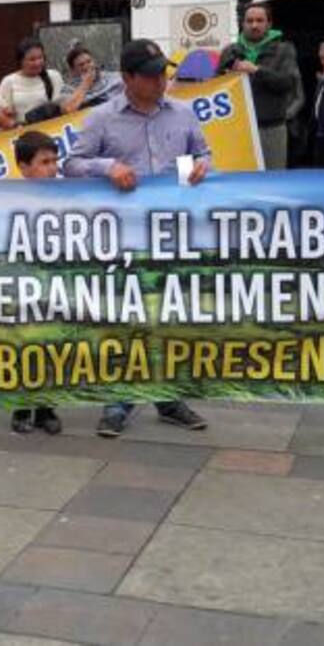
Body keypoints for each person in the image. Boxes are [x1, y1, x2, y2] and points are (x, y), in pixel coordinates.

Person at [64, 38, 212, 438]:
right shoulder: (101, 118)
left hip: (171, 232)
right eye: (150, 75)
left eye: (163, 72)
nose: (160, 81)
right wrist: (106, 166)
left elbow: (204, 153)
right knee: (125, 315)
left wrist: (201, 166)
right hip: (122, 236)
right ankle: (118, 401)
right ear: (128, 78)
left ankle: (166, 397)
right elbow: (71, 164)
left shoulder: (182, 114)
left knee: (166, 313)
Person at [9, 131, 64, 435]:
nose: (52, 168)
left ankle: (45, 408)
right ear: (23, 166)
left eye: (55, 161)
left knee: (50, 343)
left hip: (53, 283)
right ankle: (20, 408)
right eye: (44, 162)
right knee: (23, 343)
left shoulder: (64, 198)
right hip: (21, 283)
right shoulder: (10, 201)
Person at [218, 2, 300, 170]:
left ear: (269, 24)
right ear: (243, 24)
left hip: (271, 128)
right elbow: (216, 84)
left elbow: (287, 83)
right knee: (241, 182)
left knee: (272, 182)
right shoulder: (230, 51)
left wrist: (256, 70)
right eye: (249, 21)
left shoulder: (284, 50)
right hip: (236, 130)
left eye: (259, 20)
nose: (254, 25)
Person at [0, 39, 65, 128]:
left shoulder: (53, 76)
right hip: (22, 132)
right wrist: (13, 124)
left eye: (40, 58)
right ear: (21, 61)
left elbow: (62, 106)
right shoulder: (9, 81)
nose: (37, 63)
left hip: (51, 131)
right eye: (32, 59)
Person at [61, 41, 123, 113]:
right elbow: (68, 109)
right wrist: (86, 83)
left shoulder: (112, 77)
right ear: (73, 70)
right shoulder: (68, 88)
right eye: (81, 65)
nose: (87, 66)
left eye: (89, 61)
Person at [313, 42, 324, 167]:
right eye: (321, 57)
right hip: (320, 129)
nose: (322, 60)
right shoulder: (322, 74)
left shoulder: (323, 78)